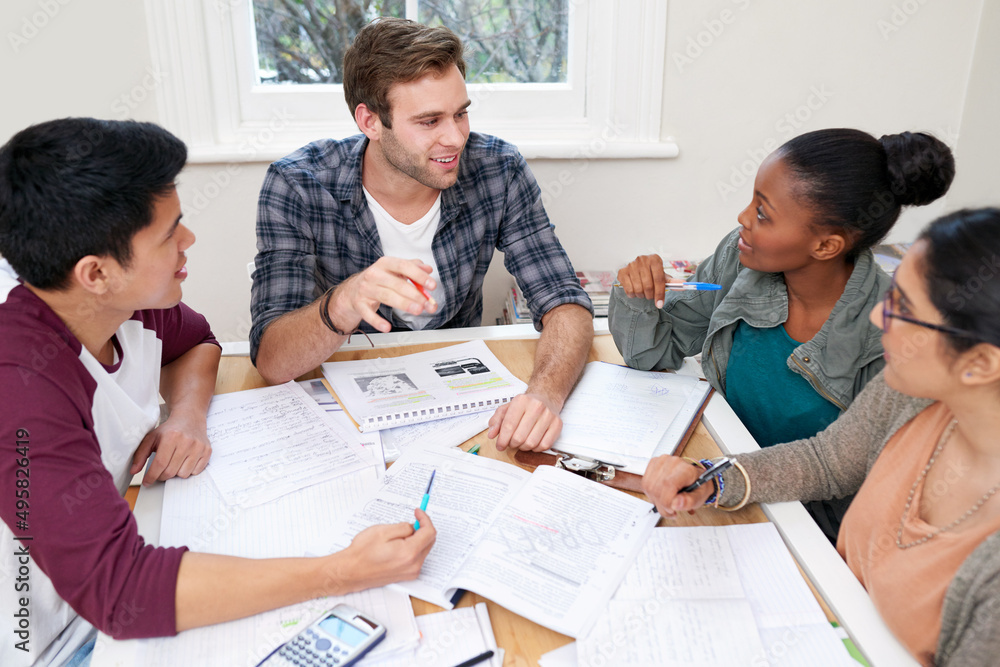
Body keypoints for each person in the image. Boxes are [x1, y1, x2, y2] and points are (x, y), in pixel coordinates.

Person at [0, 118, 435, 667]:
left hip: (99, 584)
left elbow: (198, 342)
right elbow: (122, 592)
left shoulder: (116, 300)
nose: (189, 239)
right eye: (169, 233)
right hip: (42, 640)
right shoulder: (19, 383)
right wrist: (341, 571)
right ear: (96, 273)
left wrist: (185, 415)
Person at [642, 207, 1000, 666]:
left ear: (982, 362)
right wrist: (713, 478)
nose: (877, 317)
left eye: (903, 308)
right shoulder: (914, 395)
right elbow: (828, 460)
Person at [250, 18, 594, 453]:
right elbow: (271, 360)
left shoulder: (498, 169)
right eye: (429, 121)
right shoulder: (297, 184)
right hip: (345, 410)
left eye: (461, 113)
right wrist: (342, 303)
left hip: (465, 405)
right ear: (370, 121)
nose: (455, 137)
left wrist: (545, 394)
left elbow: (565, 300)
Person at [610, 128, 955, 540]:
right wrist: (637, 293)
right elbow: (652, 355)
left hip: (811, 530)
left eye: (763, 213)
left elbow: (840, 467)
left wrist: (718, 479)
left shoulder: (890, 336)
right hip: (715, 477)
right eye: (753, 200)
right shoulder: (739, 262)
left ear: (826, 246)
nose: (743, 218)